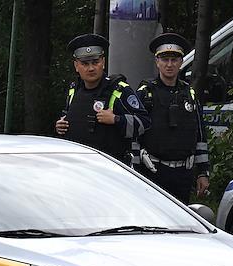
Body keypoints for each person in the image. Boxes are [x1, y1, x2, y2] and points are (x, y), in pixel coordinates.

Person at [136, 33, 210, 204]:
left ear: (181, 62)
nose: (169, 65)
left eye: (174, 60)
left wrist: (202, 172)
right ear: (157, 62)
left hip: (183, 174)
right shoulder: (146, 92)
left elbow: (199, 135)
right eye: (164, 59)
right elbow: (135, 134)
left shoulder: (189, 94)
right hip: (153, 172)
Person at [55, 34, 150, 165]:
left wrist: (116, 120)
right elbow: (68, 117)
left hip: (109, 169)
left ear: (103, 62)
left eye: (95, 62)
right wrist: (61, 126)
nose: (91, 68)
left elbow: (144, 123)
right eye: (85, 63)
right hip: (77, 166)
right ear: (76, 66)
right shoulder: (73, 90)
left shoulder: (119, 89)